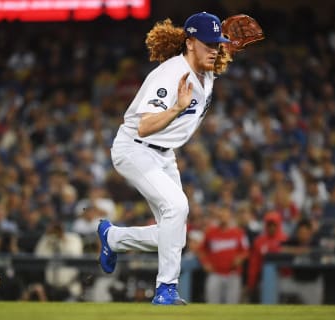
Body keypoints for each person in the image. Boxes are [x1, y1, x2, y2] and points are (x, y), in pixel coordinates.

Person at [97, 11, 233, 305]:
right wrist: (176, 109)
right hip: (135, 148)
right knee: (177, 206)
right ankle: (165, 289)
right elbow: (145, 126)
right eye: (208, 43)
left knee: (174, 237)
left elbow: (216, 57)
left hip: (163, 153)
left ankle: (113, 239)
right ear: (190, 42)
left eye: (217, 43)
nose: (214, 49)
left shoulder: (205, 67)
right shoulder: (171, 75)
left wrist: (226, 46)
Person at [198, 206, 249, 304]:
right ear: (218, 217)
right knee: (212, 304)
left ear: (230, 216)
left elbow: (246, 251)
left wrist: (240, 258)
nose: (223, 218)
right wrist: (205, 263)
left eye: (225, 215)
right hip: (215, 273)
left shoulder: (238, 233)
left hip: (233, 273)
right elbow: (201, 250)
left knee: (232, 305)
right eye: (221, 215)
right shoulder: (211, 232)